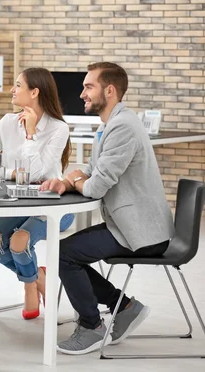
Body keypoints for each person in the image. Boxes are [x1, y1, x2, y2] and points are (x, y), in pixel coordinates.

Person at [40, 62, 174, 355]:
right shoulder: (112, 124)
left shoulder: (123, 127)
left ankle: (92, 327)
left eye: (89, 87)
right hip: (127, 224)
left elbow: (95, 186)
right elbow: (89, 171)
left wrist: (77, 181)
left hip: (142, 232)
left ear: (109, 90)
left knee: (63, 254)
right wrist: (68, 181)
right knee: (65, 252)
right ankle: (124, 306)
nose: (81, 94)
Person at [0, 67, 75, 320]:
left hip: (54, 206)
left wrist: (31, 133)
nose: (12, 90)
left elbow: (38, 173)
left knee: (19, 241)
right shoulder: (7, 122)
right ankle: (37, 277)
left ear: (35, 92)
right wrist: (13, 174)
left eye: (18, 85)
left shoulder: (58, 129)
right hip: (16, 202)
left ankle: (28, 287)